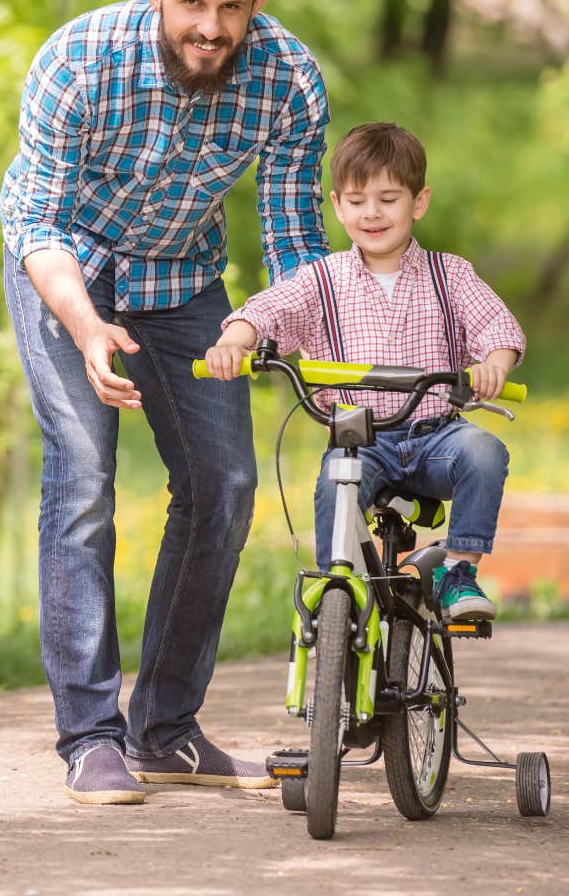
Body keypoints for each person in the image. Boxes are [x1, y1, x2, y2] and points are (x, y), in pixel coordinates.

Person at [0, 0, 330, 805]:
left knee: (223, 486)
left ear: (257, 3)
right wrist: (83, 323)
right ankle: (90, 736)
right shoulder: (79, 59)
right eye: (191, 3)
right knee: (83, 480)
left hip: (185, 280)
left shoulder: (290, 79)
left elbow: (293, 237)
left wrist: (291, 334)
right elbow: (34, 221)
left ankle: (167, 730)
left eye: (231, 8)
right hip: (68, 268)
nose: (210, 28)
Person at [204, 121, 526, 621]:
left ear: (419, 203)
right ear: (338, 206)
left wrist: (492, 366)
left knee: (484, 451)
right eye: (357, 201)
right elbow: (268, 310)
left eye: (388, 198)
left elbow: (498, 330)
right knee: (336, 480)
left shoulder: (451, 274)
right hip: (361, 441)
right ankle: (340, 590)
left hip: (435, 436)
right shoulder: (322, 280)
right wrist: (233, 342)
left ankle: (457, 571)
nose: (372, 213)